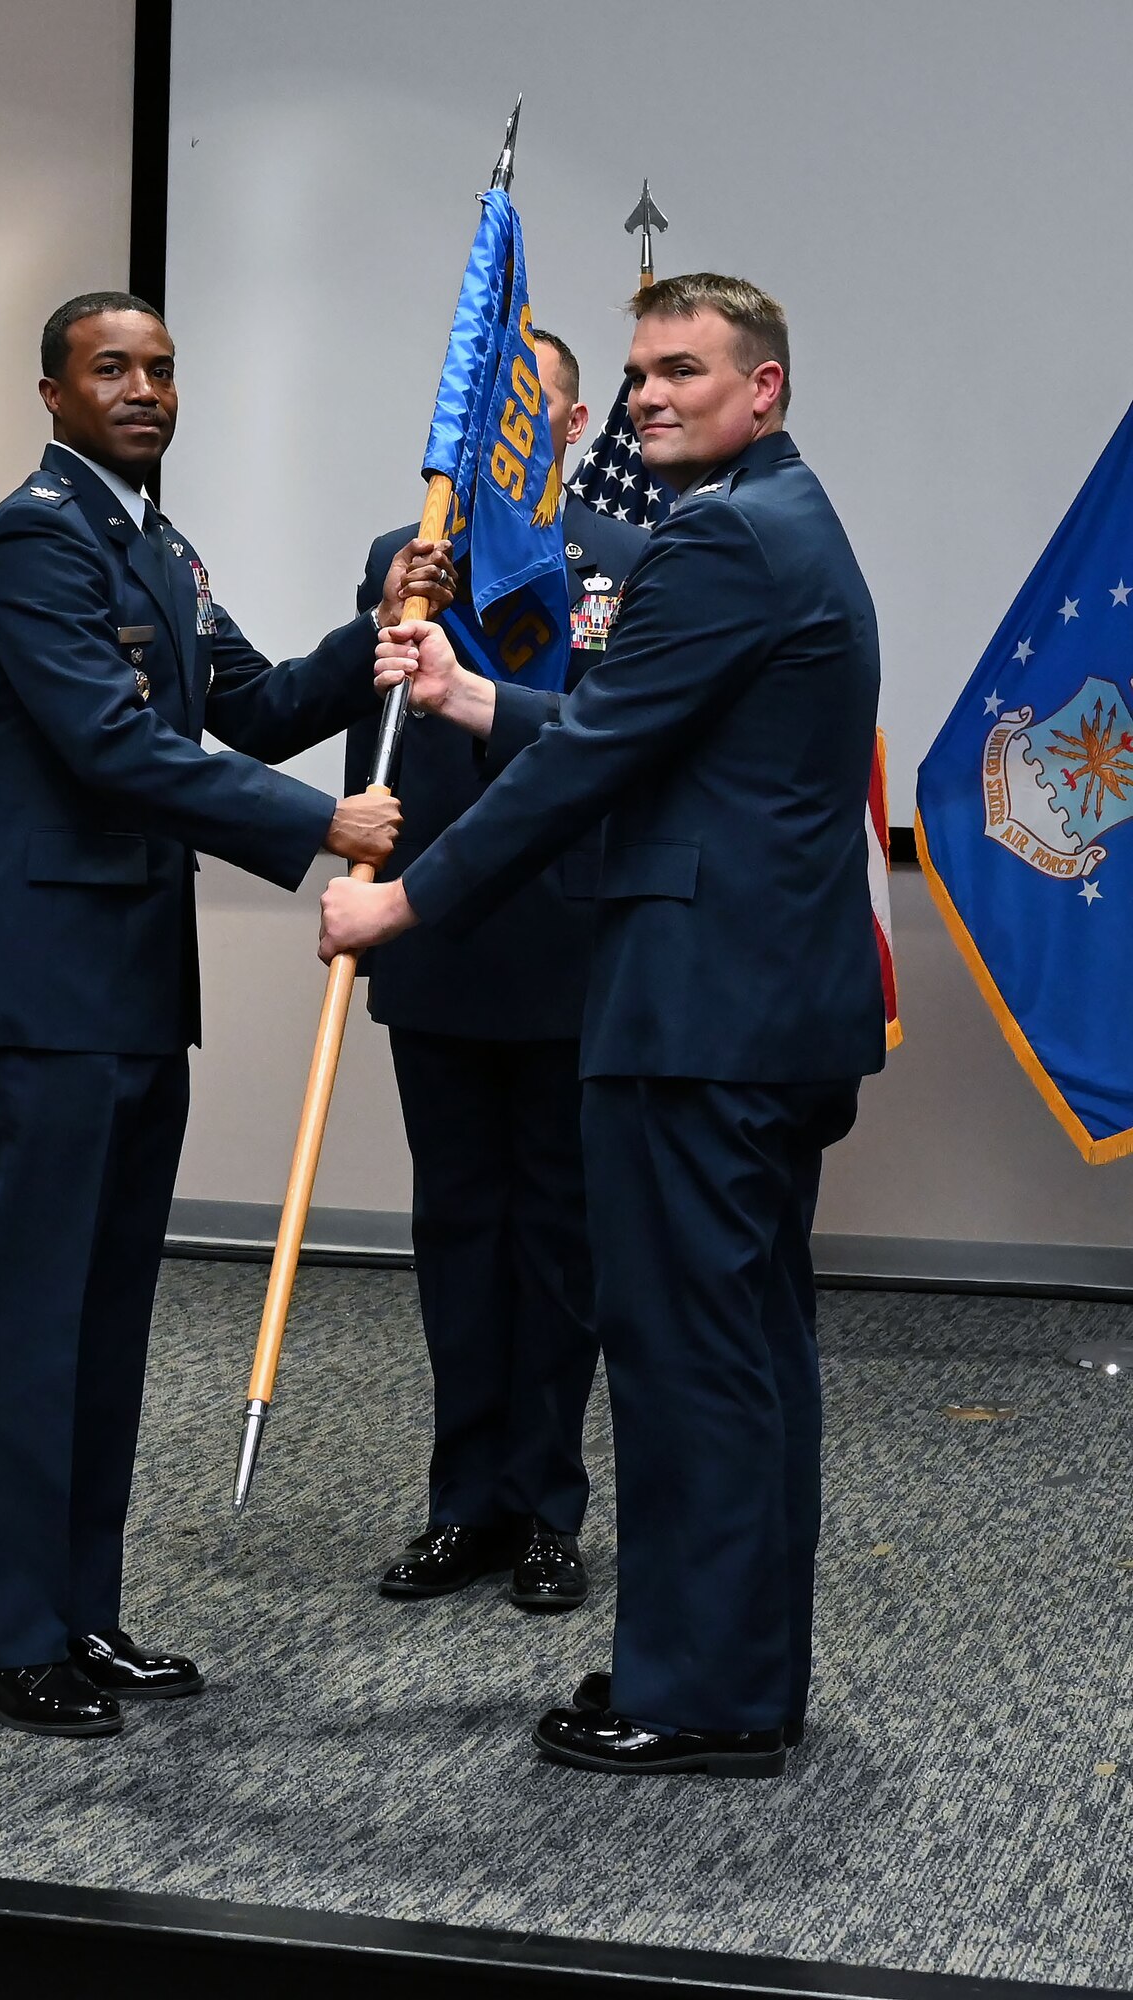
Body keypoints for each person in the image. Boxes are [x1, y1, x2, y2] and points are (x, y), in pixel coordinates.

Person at [319, 274, 886, 1777]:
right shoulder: (782, 522)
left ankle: (696, 1698)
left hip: (704, 1017)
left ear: (761, 389)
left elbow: (595, 771)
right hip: (757, 1011)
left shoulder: (718, 538)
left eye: (683, 370)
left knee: (694, 1364)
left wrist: (402, 907)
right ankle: (732, 1676)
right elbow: (622, 727)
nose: (649, 396)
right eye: (638, 373)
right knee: (746, 1358)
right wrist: (463, 701)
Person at [0, 291, 452, 1738]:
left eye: (161, 368)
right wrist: (322, 829)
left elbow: (256, 702)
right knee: (33, 1322)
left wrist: (379, 622)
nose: (146, 389)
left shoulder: (156, 543)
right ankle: (0, 1634)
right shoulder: (35, 536)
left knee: (104, 1322)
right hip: (41, 985)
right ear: (52, 392)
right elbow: (107, 747)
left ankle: (77, 1615)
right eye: (113, 369)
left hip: (134, 989)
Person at [347, 331, 645, 1611]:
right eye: (487, 402)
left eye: (532, 405)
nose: (507, 423)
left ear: (572, 425)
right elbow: (378, 740)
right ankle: (461, 1502)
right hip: (438, 944)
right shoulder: (403, 559)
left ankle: (546, 1508)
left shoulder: (626, 563)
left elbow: (612, 748)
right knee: (458, 1233)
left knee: (559, 1242)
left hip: (565, 939)